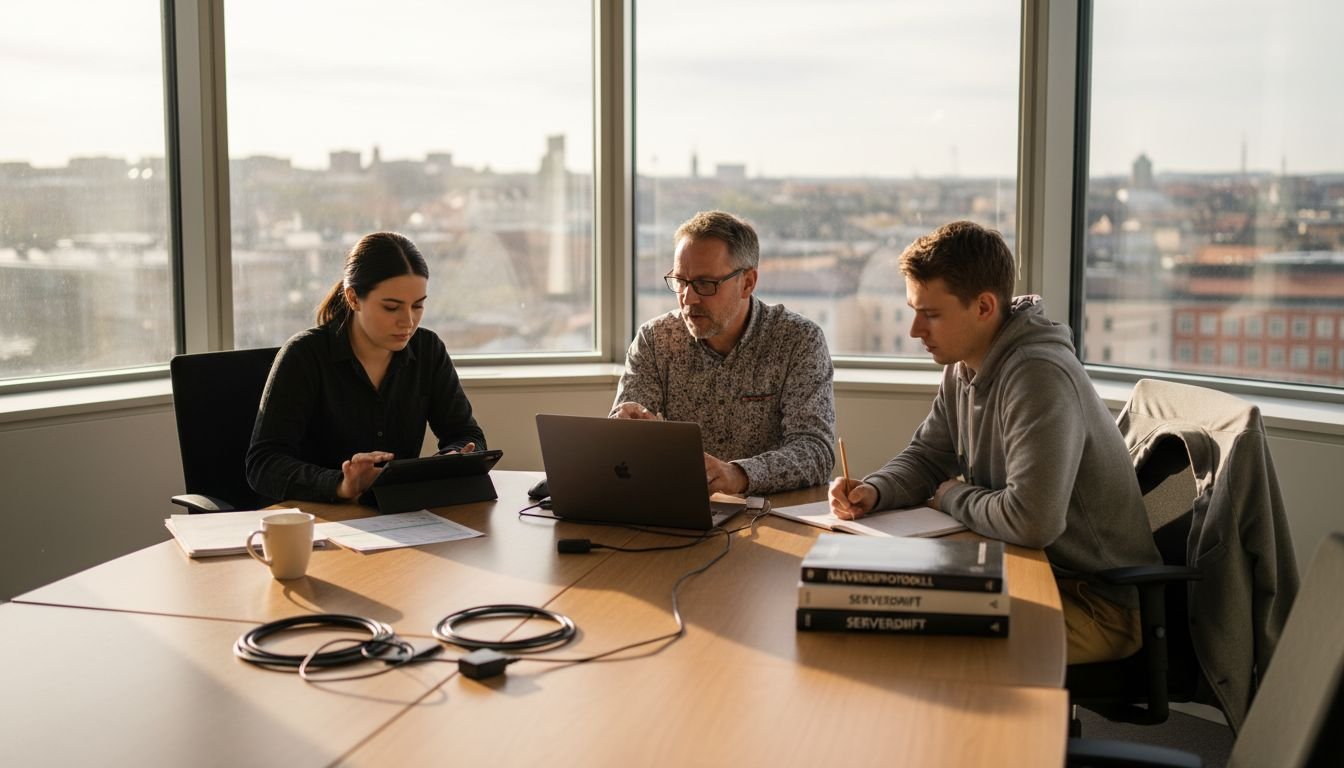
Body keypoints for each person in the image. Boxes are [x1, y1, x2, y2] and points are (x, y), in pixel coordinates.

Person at [828, 220, 1160, 665]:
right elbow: (928, 456)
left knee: (920, 638)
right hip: (1025, 573)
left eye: (930, 314)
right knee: (881, 607)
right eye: (913, 309)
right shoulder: (965, 363)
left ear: (983, 306)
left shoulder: (1038, 375)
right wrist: (876, 489)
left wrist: (951, 496)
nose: (914, 330)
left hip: (1096, 603)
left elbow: (1031, 522)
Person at [247, 231, 485, 503]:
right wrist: (341, 484)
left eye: (417, 306)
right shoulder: (304, 355)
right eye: (391, 307)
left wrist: (454, 458)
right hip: (320, 522)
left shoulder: (428, 349)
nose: (408, 321)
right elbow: (263, 465)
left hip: (398, 516)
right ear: (353, 298)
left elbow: (467, 435)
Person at [611, 210, 835, 496]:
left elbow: (816, 452)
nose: (688, 299)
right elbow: (621, 450)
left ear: (748, 283)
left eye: (705, 284)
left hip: (772, 516)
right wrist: (622, 430)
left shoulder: (798, 340)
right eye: (680, 281)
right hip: (676, 507)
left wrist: (739, 474)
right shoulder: (655, 340)